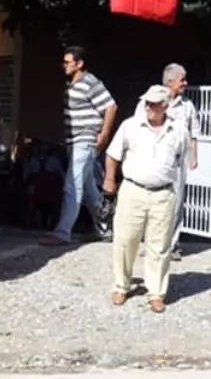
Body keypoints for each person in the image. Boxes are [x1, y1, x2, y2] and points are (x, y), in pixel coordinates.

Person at [102, 83, 186, 312]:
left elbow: (180, 158)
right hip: (133, 189)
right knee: (125, 240)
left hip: (163, 192)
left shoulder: (178, 131)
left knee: (159, 245)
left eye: (154, 103)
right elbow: (112, 155)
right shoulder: (130, 126)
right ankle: (121, 285)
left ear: (165, 106)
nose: (149, 107)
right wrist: (110, 179)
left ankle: (156, 292)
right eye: (147, 102)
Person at [41, 46, 118, 246]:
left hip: (85, 141)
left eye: (67, 62)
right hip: (75, 142)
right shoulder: (73, 85)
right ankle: (105, 229)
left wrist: (104, 133)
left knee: (72, 186)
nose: (64, 65)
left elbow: (110, 106)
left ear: (79, 63)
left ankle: (62, 232)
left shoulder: (89, 82)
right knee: (90, 189)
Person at [163, 63, 199, 256]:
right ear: (170, 81)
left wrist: (193, 157)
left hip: (179, 159)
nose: (185, 83)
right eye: (181, 80)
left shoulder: (187, 105)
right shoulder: (155, 100)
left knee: (177, 203)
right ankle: (156, 243)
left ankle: (173, 244)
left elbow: (194, 134)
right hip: (158, 160)